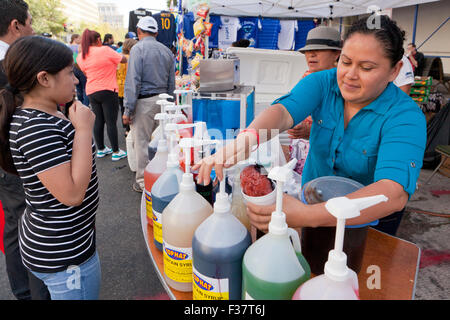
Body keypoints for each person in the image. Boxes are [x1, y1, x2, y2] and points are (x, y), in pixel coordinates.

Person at [194, 15, 426, 237]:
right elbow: (283, 113)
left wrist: (308, 215)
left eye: (366, 68)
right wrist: (248, 138)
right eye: (345, 62)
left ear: (394, 71)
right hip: (312, 203)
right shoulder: (323, 83)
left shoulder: (405, 116)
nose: (350, 75)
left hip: (366, 225)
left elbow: (392, 193)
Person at [1, 35, 100, 300]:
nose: (77, 80)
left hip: (66, 242)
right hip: (63, 253)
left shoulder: (48, 114)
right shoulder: (36, 127)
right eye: (70, 73)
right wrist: (83, 129)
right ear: (44, 79)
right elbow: (71, 195)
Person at [0, 0, 50, 301]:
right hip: (16, 162)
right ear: (15, 26)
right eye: (29, 22)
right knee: (29, 224)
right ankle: (34, 293)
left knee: (13, 224)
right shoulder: (11, 69)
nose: (32, 29)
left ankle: (24, 292)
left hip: (7, 164)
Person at [123, 16, 175, 192]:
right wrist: (170, 103)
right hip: (163, 101)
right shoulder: (167, 51)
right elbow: (171, 83)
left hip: (143, 102)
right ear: (156, 32)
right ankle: (161, 177)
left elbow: (133, 81)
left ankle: (144, 182)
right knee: (162, 141)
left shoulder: (138, 49)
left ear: (139, 32)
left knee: (142, 143)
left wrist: (127, 109)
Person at [287, 26, 342, 176]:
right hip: (301, 151)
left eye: (319, 49)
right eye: (308, 50)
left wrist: (311, 132)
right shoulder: (306, 77)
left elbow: (346, 128)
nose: (311, 54)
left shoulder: (342, 83)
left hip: (325, 158)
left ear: (336, 53)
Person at [77, 29, 128, 161]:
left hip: (92, 91)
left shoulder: (81, 55)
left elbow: (85, 72)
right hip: (108, 89)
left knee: (98, 120)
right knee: (111, 122)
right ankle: (116, 151)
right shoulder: (105, 50)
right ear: (99, 40)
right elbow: (123, 59)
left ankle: (101, 149)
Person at [117, 38, 138, 136]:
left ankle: (125, 126)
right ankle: (129, 129)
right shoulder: (131, 58)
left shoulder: (118, 58)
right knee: (130, 108)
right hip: (128, 87)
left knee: (122, 107)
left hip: (118, 87)